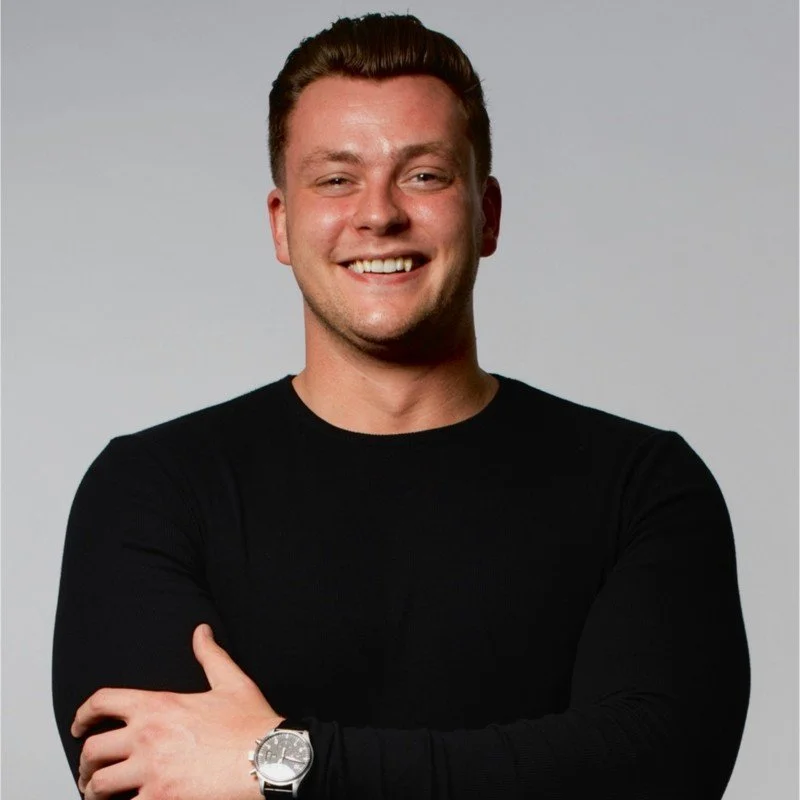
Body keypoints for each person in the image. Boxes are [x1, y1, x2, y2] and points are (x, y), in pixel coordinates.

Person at [53, 13, 750, 800]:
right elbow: (153, 784)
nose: (378, 213)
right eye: (335, 178)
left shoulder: (644, 487)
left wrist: (284, 763)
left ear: (485, 214)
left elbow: (657, 771)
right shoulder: (149, 489)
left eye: (423, 174)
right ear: (282, 224)